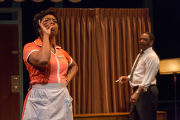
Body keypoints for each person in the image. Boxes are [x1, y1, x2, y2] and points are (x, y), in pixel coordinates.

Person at [21, 9, 78, 120]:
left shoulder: (61, 51)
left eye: (54, 21)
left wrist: (66, 81)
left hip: (61, 95)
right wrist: (46, 36)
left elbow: (74, 66)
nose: (52, 22)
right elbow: (43, 60)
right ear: (38, 27)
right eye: (47, 20)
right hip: (41, 96)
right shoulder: (30, 47)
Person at [118, 32, 159, 120]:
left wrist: (137, 92)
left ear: (151, 42)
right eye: (140, 39)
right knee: (133, 117)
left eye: (145, 39)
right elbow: (140, 73)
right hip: (139, 90)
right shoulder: (141, 54)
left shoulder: (152, 56)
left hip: (146, 91)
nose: (141, 41)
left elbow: (148, 77)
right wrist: (128, 77)